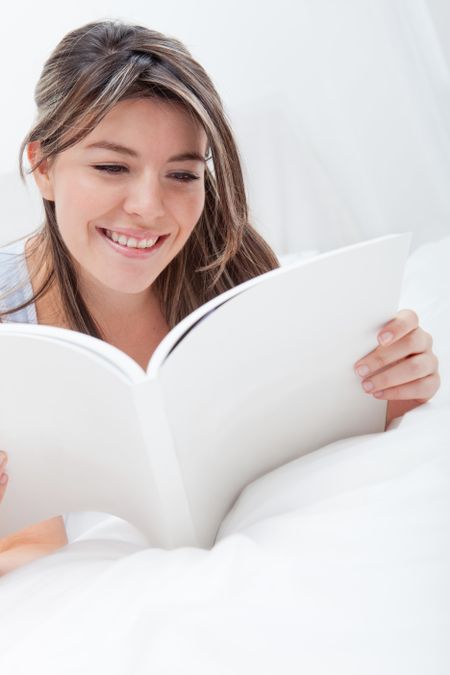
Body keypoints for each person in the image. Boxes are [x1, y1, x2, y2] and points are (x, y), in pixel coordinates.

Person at [0, 19, 441, 576]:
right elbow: (27, 553)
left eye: (181, 175)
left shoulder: (234, 278)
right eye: (112, 167)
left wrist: (396, 380)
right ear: (42, 166)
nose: (148, 207)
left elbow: (330, 427)